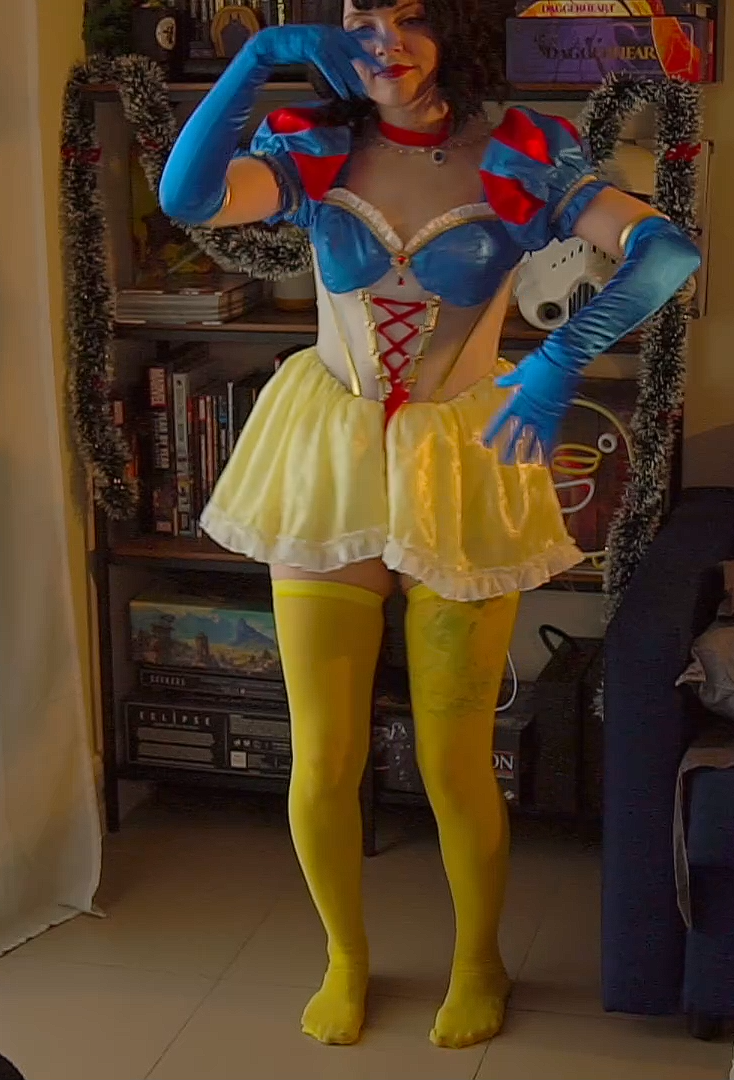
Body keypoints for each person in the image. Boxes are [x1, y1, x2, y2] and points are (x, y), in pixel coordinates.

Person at [159, 0, 700, 1049]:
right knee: (323, 755)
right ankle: (344, 957)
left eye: (410, 17)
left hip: (460, 462)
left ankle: (478, 959)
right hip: (331, 458)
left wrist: (559, 357)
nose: (383, 44)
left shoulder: (522, 153)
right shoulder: (314, 149)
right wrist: (263, 55)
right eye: (359, 18)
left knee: (454, 758)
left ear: (454, 28)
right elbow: (188, 196)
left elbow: (665, 253)